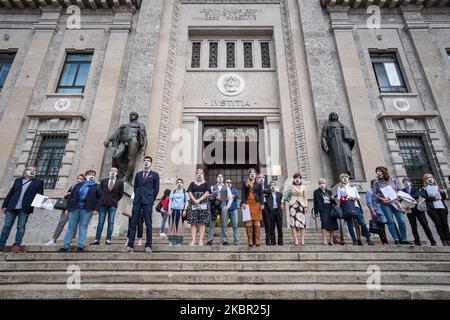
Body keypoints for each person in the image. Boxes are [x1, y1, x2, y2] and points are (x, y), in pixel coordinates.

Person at [0, 165, 44, 253]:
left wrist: (43, 204)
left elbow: (40, 195)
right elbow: (11, 193)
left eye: (34, 170)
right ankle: (1, 245)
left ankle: (17, 245)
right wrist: (4, 205)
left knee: (21, 227)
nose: (32, 171)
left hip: (25, 208)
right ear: (26, 171)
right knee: (7, 226)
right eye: (30, 170)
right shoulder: (18, 180)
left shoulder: (38, 182)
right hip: (12, 206)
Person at [59, 170, 99, 252]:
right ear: (86, 175)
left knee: (83, 227)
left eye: (93, 175)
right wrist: (67, 208)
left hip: (87, 209)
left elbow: (99, 199)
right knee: (71, 227)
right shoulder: (78, 185)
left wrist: (96, 209)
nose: (91, 176)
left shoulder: (96, 186)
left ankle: (81, 246)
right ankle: (65, 246)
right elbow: (71, 197)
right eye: (89, 174)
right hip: (75, 208)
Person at [126, 156, 160, 253]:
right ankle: (130, 245)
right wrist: (136, 197)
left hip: (148, 201)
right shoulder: (138, 174)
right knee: (133, 223)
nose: (146, 162)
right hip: (137, 201)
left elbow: (156, 189)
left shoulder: (155, 175)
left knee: (148, 224)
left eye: (148, 161)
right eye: (145, 161)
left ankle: (148, 245)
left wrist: (151, 199)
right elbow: (136, 187)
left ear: (151, 163)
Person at [374, 166, 412, 245]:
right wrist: (382, 199)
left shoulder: (393, 180)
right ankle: (396, 239)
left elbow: (399, 190)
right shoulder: (376, 182)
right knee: (390, 221)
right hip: (385, 204)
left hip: (396, 202)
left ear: (384, 172)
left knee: (401, 220)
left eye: (379, 171)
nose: (378, 172)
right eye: (377, 171)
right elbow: (375, 194)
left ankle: (404, 239)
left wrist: (399, 196)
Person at [45, 174, 85, 245]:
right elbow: (67, 197)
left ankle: (71, 240)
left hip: (76, 209)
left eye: (81, 179)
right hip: (67, 208)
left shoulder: (85, 188)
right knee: (61, 223)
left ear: (84, 180)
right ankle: (53, 239)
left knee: (73, 225)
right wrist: (68, 194)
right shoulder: (73, 187)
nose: (79, 180)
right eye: (78, 178)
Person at [336, 172, 374, 246]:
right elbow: (338, 198)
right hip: (347, 207)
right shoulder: (339, 188)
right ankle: (354, 240)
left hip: (355, 206)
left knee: (361, 222)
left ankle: (368, 238)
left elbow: (358, 197)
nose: (345, 178)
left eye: (346, 177)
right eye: (343, 177)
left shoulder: (353, 187)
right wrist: (344, 196)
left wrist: (353, 198)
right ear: (341, 179)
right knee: (350, 224)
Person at [91, 167, 124, 245]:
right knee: (100, 222)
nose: (113, 172)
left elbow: (121, 194)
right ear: (109, 172)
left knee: (111, 222)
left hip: (113, 205)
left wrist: (115, 200)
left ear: (117, 172)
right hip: (103, 204)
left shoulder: (120, 182)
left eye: (114, 171)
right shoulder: (104, 181)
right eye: (111, 170)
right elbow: (99, 192)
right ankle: (97, 239)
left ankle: (108, 239)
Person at [402, 177, 436, 246]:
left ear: (410, 182)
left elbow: (417, 195)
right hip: (409, 209)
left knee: (425, 224)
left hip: (418, 208)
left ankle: (432, 240)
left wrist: (406, 197)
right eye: (404, 181)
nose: (406, 182)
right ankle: (417, 241)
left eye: (407, 181)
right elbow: (401, 199)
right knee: (413, 226)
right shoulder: (402, 191)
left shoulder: (416, 188)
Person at [420, 173, 449, 246]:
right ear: (425, 180)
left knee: (445, 224)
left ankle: (448, 239)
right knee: (438, 224)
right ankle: (443, 240)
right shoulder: (424, 188)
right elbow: (423, 196)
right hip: (432, 209)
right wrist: (433, 198)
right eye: (427, 178)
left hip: (442, 207)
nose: (429, 179)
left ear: (433, 178)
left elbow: (444, 198)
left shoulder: (438, 187)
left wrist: (442, 192)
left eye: (430, 177)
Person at [282, 173, 308, 246]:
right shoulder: (291, 187)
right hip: (293, 205)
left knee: (302, 223)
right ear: (293, 179)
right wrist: (282, 202)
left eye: (298, 177)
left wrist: (306, 206)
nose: (297, 179)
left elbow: (305, 197)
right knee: (293, 223)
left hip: (301, 205)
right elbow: (285, 195)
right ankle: (296, 239)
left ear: (300, 179)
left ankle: (302, 240)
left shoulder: (303, 187)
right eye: (296, 177)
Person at [207, 173, 233, 245]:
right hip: (214, 207)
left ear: (223, 178)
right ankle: (210, 240)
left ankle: (224, 240)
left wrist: (228, 206)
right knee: (212, 224)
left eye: (221, 177)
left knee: (224, 224)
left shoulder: (226, 187)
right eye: (219, 177)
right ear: (217, 178)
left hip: (223, 206)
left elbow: (230, 198)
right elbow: (209, 198)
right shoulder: (212, 187)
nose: (220, 178)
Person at [186, 169, 210, 246]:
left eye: (201, 173)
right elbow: (189, 192)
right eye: (198, 173)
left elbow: (207, 192)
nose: (199, 174)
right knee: (193, 223)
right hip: (193, 204)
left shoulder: (206, 183)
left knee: (202, 223)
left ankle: (200, 241)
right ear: (196, 174)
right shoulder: (192, 183)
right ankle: (193, 240)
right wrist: (194, 200)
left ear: (203, 174)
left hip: (203, 203)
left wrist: (199, 199)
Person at [241, 168, 264, 247]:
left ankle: (257, 239)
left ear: (256, 174)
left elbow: (261, 194)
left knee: (257, 223)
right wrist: (243, 202)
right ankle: (250, 239)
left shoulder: (258, 183)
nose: (252, 173)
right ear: (249, 174)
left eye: (254, 172)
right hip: (247, 204)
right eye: (251, 172)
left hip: (257, 204)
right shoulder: (245, 183)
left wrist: (262, 204)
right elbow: (243, 193)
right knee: (249, 223)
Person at [313, 178, 338, 246]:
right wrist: (316, 212)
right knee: (324, 224)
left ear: (326, 184)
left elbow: (334, 203)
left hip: (330, 208)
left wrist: (333, 199)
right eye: (321, 183)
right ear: (319, 184)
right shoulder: (316, 192)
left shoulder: (329, 192)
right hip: (323, 209)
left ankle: (331, 240)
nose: (322, 184)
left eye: (323, 183)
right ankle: (324, 240)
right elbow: (315, 202)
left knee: (332, 224)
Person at [366, 179, 389, 245]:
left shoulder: (379, 192)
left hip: (384, 211)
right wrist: (373, 212)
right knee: (381, 227)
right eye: (376, 183)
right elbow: (369, 203)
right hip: (377, 212)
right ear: (372, 185)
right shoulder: (369, 192)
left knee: (389, 225)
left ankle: (396, 240)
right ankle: (384, 242)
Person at [168, 179, 189, 246]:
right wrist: (169, 210)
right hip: (173, 210)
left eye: (180, 182)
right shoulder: (173, 192)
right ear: (176, 184)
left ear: (182, 184)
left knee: (179, 226)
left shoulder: (185, 192)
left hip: (180, 211)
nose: (179, 184)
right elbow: (170, 201)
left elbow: (187, 202)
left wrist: (185, 210)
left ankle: (178, 242)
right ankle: (171, 241)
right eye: (178, 182)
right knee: (172, 226)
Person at [267, 181, 284, 245]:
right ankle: (273, 241)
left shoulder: (279, 194)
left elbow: (282, 202)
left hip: (278, 211)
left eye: (274, 185)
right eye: (271, 185)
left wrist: (283, 204)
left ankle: (280, 241)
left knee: (279, 227)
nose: (272, 186)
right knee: (272, 228)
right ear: (269, 187)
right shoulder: (267, 194)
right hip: (271, 212)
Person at [257, 174, 271, 245]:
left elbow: (269, 192)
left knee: (267, 224)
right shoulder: (255, 186)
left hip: (266, 206)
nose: (261, 178)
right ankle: (256, 239)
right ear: (257, 178)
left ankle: (268, 240)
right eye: (259, 177)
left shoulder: (267, 186)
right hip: (257, 205)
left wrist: (261, 192)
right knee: (256, 223)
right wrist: (263, 193)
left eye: (262, 177)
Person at [226, 179, 240, 245]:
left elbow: (235, 196)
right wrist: (230, 197)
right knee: (224, 226)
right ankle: (224, 240)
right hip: (225, 210)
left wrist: (228, 197)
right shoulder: (223, 189)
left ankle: (236, 241)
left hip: (234, 209)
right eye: (227, 182)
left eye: (230, 182)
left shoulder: (234, 189)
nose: (229, 183)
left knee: (235, 225)